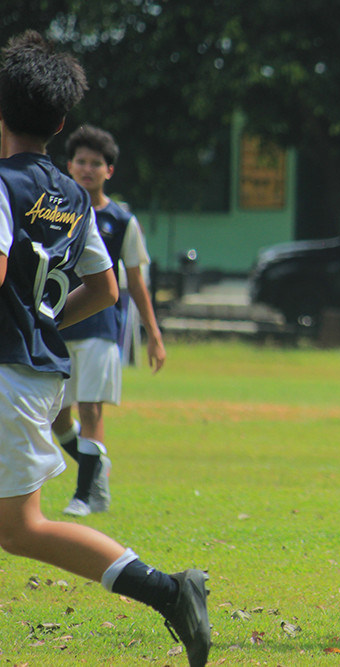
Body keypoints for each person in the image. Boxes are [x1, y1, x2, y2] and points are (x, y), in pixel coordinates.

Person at [0, 31, 210, 667]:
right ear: (62, 124)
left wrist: (26, 317)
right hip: (36, 372)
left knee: (22, 529)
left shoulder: (2, 185)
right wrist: (41, 319)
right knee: (17, 528)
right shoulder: (70, 194)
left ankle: (169, 592)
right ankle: (170, 593)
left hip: (7, 374)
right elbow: (106, 288)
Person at [52, 124, 166, 517]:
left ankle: (83, 496)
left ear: (109, 171)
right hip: (56, 324)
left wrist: (153, 334)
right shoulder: (54, 210)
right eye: (80, 161)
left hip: (100, 328)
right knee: (56, 416)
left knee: (91, 410)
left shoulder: (121, 220)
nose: (87, 169)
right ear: (68, 166)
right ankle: (95, 465)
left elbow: (135, 283)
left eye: (95, 163)